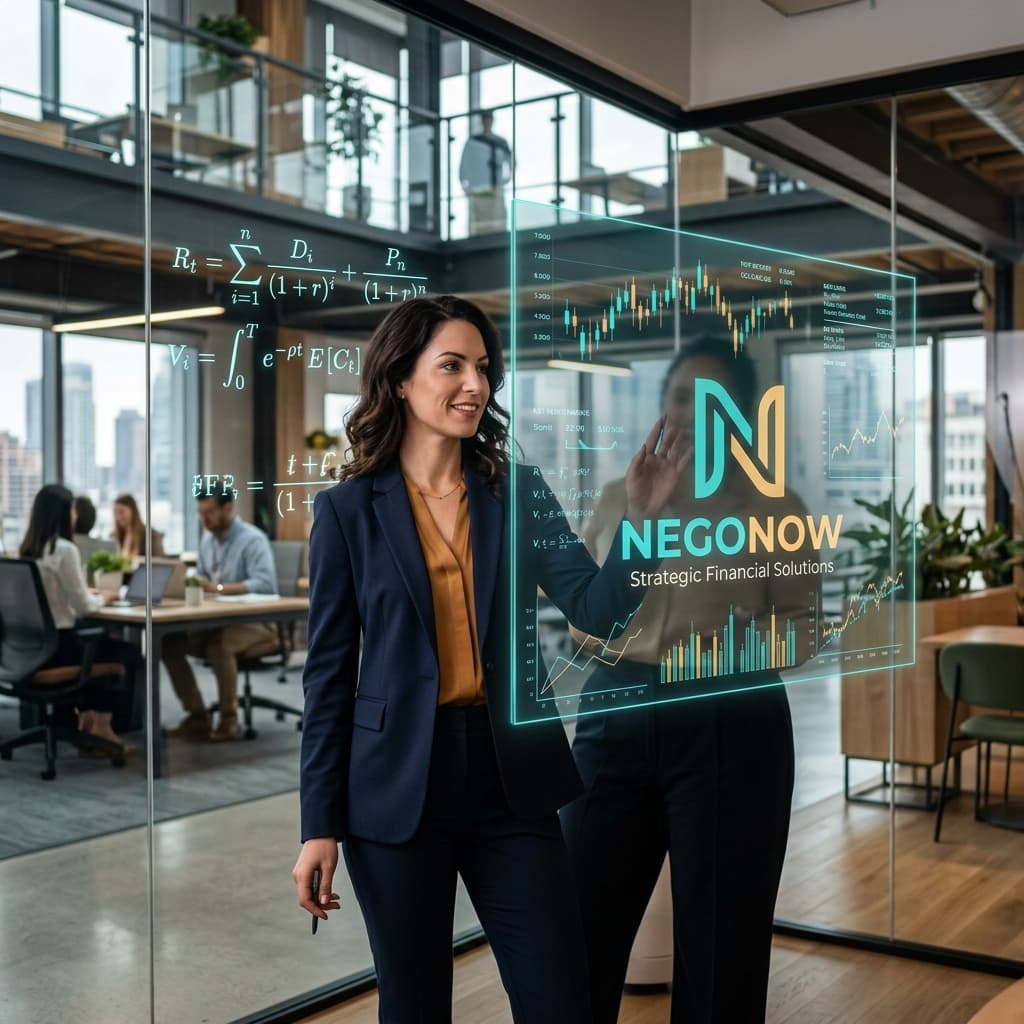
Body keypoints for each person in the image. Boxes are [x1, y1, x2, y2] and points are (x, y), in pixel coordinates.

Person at [291, 295, 683, 1023]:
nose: (474, 384)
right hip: (395, 786)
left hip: (513, 778)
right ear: (401, 380)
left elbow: (596, 609)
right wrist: (319, 824)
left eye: (482, 368)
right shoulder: (347, 511)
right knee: (413, 1007)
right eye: (452, 366)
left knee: (560, 999)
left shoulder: (516, 493)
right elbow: (328, 676)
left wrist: (642, 521)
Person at [561, 336, 815, 1024]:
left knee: (721, 943)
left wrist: (725, 652)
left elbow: (802, 628)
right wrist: (639, 527)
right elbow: (584, 625)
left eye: (712, 399)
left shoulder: (774, 508)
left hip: (732, 718)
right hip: (617, 712)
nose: (691, 411)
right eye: (680, 395)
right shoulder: (621, 496)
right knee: (577, 924)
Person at [19, 484, 130, 753]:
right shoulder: (64, 550)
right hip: (60, 649)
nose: (75, 515)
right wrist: (107, 597)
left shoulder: (27, 550)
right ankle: (101, 728)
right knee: (123, 652)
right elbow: (84, 607)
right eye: (71, 510)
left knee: (97, 642)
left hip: (30, 650)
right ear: (63, 513)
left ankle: (87, 722)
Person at [161, 491, 278, 741]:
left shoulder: (252, 540)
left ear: (228, 508)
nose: (205, 519)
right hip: (217, 622)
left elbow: (266, 584)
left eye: (210, 512)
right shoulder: (207, 542)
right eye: (201, 514)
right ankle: (197, 715)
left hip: (257, 624)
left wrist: (219, 589)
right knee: (169, 642)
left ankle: (229, 718)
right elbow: (202, 581)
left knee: (220, 645)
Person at [459, 109, 512, 235]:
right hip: (478, 188)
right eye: (484, 119)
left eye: (489, 118)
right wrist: (465, 185)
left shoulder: (501, 142)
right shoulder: (473, 142)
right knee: (478, 224)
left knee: (497, 223)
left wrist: (503, 181)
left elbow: (511, 164)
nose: (487, 121)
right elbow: (464, 165)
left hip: (495, 188)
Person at [112, 493, 164, 561]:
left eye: (121, 512)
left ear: (133, 511)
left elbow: (158, 561)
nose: (118, 517)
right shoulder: (114, 536)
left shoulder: (150, 534)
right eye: (115, 513)